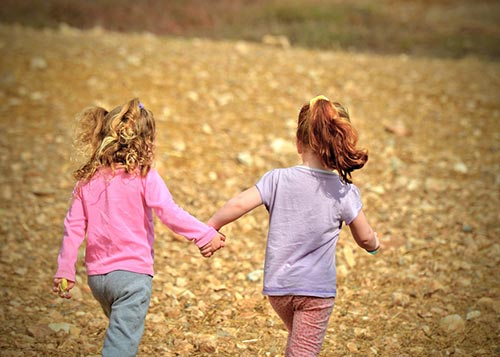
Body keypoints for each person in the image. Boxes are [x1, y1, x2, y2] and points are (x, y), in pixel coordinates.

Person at [207, 95, 380, 356]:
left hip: (279, 289)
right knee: (303, 351)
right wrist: (375, 245)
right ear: (340, 143)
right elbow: (365, 237)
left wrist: (211, 225)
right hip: (315, 292)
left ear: (299, 143)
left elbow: (240, 203)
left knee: (299, 343)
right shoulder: (344, 191)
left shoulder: (277, 179)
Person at [52, 98, 225, 356]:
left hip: (98, 279)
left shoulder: (87, 180)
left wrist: (65, 270)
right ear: (146, 143)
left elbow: (73, 227)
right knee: (121, 345)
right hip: (132, 276)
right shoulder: (144, 175)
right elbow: (169, 212)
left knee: (120, 334)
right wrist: (204, 234)